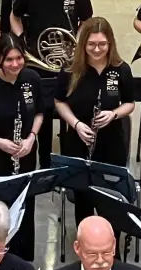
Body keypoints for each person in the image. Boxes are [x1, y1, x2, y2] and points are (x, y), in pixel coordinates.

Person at [11, 0, 92, 168]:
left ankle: (70, 161)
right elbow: (15, 17)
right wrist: (21, 44)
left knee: (73, 108)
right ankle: (45, 163)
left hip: (69, 61)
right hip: (38, 61)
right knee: (43, 112)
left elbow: (87, 21)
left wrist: (78, 45)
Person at [55, 17, 136, 224]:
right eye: (91, 44)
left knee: (111, 199)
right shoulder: (70, 70)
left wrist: (113, 114)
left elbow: (130, 103)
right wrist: (76, 124)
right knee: (83, 198)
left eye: (102, 44)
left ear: (110, 43)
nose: (97, 49)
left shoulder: (121, 69)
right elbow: (59, 102)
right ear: (83, 44)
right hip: (79, 140)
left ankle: (111, 242)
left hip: (111, 144)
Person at [0, 34, 47, 259]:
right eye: (9, 59)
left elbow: (39, 112)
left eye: (19, 58)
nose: (15, 64)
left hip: (25, 156)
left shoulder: (32, 78)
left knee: (25, 209)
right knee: (1, 214)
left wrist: (31, 138)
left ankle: (23, 261)